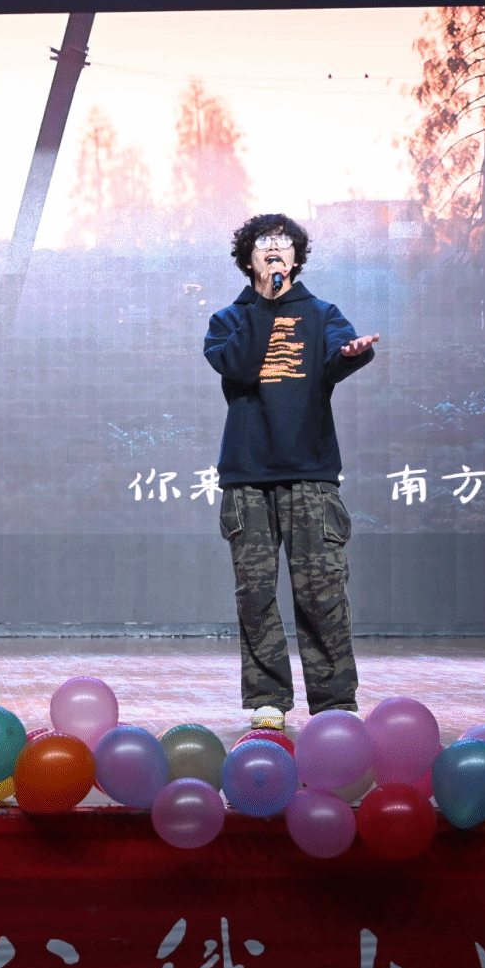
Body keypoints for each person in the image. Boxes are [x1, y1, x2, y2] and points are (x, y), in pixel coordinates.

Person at [203, 214, 379, 730]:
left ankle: (334, 703)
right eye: (264, 244)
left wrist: (351, 354)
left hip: (311, 472)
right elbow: (239, 367)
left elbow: (338, 357)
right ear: (249, 259)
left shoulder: (322, 314)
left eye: (284, 244)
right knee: (255, 595)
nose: (275, 249)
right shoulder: (228, 319)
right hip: (248, 477)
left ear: (297, 258)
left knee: (323, 591)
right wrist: (264, 304)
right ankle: (267, 698)